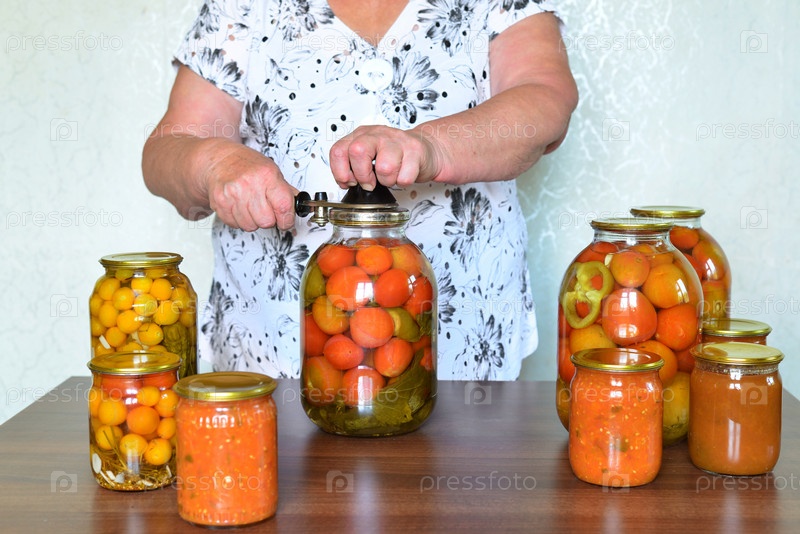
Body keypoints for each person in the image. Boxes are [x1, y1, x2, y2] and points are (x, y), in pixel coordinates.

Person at [142, 0, 578, 380]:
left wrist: (431, 147)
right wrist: (214, 164)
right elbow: (167, 149)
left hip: (466, 357)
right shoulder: (243, 7)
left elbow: (544, 96)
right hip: (267, 357)